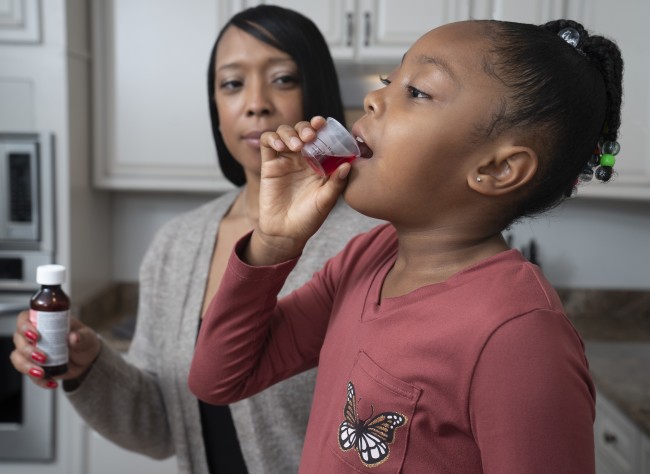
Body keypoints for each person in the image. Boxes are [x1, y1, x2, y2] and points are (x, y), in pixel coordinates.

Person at [188, 18, 624, 473]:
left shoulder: (519, 338)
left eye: (417, 92)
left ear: (498, 169)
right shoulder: (369, 258)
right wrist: (273, 243)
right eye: (387, 82)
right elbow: (219, 378)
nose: (373, 100)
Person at [10, 5, 380, 474]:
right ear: (216, 109)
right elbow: (161, 428)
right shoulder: (176, 244)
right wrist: (89, 366)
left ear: (317, 93)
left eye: (283, 78)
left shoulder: (369, 240)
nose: (256, 103)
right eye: (232, 83)